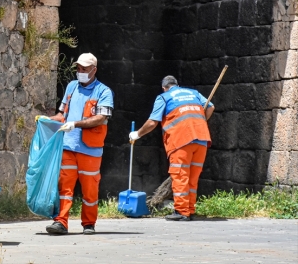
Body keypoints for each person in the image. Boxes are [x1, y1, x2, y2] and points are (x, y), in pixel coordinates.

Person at [44, 53, 114, 236]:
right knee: (64, 187)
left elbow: (101, 118)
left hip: (90, 149)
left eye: (84, 69)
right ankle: (60, 222)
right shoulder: (71, 87)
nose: (80, 72)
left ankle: (89, 223)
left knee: (90, 189)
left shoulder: (104, 92)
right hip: (68, 146)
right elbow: (62, 115)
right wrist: (48, 120)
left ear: (94, 70)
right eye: (78, 68)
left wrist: (76, 124)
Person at [129, 75, 214, 221]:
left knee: (180, 175)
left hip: (181, 140)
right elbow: (211, 106)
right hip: (201, 139)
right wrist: (199, 121)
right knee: (193, 177)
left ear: (164, 87)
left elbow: (152, 122)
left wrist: (137, 134)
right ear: (177, 85)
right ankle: (190, 209)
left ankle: (181, 211)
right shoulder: (193, 93)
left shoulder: (164, 97)